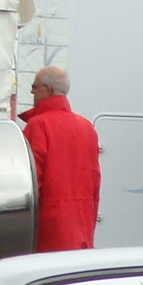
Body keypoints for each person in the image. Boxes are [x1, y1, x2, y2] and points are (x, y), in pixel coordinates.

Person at [21, 66, 99, 250]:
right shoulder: (87, 127)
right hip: (82, 229)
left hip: (49, 233)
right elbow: (95, 185)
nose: (31, 91)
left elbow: (32, 186)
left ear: (48, 89)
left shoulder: (38, 125)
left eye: (35, 86)